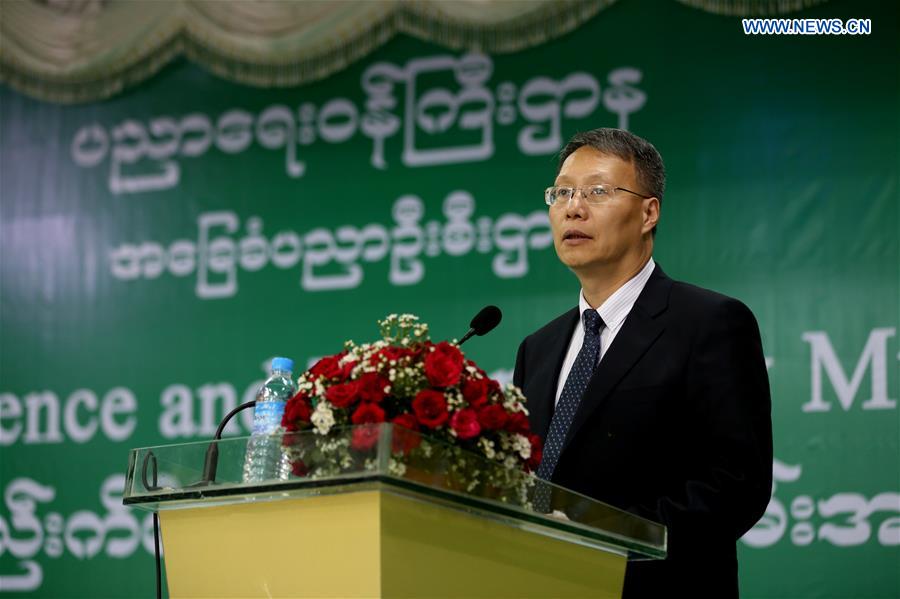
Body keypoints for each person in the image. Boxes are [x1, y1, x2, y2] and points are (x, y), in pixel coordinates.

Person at [513, 128, 773, 598]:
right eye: (562, 192)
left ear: (648, 212)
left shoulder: (709, 323)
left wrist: (601, 542)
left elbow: (735, 486)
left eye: (598, 191)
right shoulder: (538, 347)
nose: (574, 207)